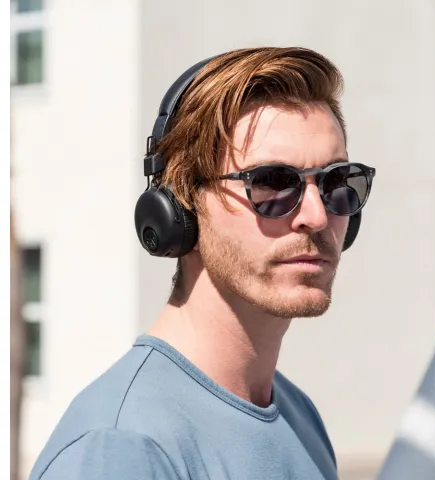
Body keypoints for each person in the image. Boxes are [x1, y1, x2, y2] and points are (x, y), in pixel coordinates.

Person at [29, 47, 376, 480]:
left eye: (336, 180)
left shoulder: (300, 418)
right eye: (271, 182)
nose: (317, 216)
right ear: (183, 206)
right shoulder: (121, 448)